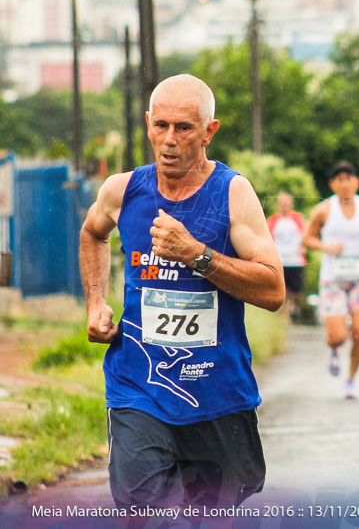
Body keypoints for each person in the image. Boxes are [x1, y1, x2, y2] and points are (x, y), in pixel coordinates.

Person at [80, 74, 285, 514]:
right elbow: (92, 233)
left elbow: (273, 289)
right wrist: (96, 300)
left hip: (218, 395)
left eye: (184, 128)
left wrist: (197, 255)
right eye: (161, 126)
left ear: (209, 131)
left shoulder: (232, 193)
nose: (169, 140)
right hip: (138, 388)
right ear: (149, 123)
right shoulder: (122, 190)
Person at [304, 161, 359, 398]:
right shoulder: (324, 210)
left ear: (357, 182)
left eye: (349, 179)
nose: (345, 184)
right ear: (332, 184)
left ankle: (350, 380)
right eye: (340, 180)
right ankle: (334, 349)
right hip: (333, 279)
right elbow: (307, 239)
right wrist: (326, 245)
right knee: (338, 335)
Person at [267, 192, 307, 322]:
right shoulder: (273, 220)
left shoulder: (298, 219)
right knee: (282, 290)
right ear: (278, 205)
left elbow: (307, 234)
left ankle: (294, 307)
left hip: (296, 260)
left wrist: (303, 246)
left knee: (297, 292)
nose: (284, 206)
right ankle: (285, 316)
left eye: (286, 203)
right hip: (280, 261)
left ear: (291, 204)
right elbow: (267, 239)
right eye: (282, 204)